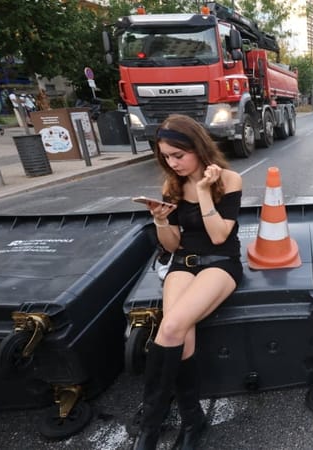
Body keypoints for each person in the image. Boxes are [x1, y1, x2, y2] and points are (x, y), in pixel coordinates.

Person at [132, 114, 243, 450]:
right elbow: (171, 245)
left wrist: (205, 191)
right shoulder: (172, 186)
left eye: (178, 155)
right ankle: (192, 419)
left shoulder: (229, 179)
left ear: (198, 147)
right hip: (183, 263)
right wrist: (160, 219)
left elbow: (220, 235)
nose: (172, 163)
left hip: (221, 264)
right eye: (166, 157)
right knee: (180, 331)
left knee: (171, 326)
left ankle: (150, 426)